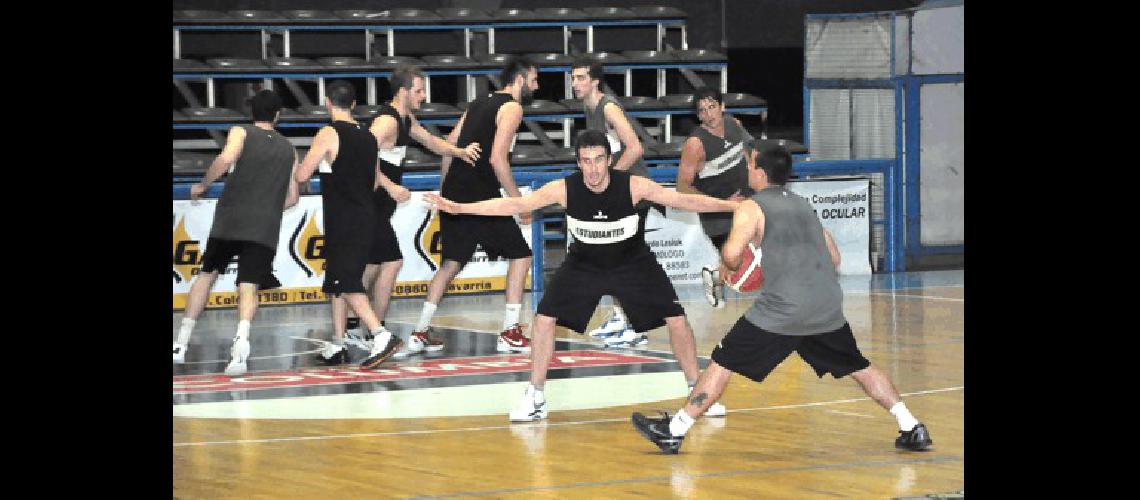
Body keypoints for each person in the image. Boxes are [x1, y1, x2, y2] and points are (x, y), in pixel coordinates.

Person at [630, 144, 933, 454]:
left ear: (760, 173)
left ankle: (674, 429)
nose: (747, 170)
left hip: (782, 310)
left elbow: (733, 255)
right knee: (859, 366)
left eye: (749, 165)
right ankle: (911, 426)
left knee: (722, 363)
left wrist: (731, 271)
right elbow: (834, 257)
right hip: (825, 306)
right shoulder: (805, 205)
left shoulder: (751, 207)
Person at [424, 129, 732, 422]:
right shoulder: (565, 188)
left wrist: (730, 207)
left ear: (610, 160)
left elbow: (685, 200)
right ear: (578, 162)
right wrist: (460, 207)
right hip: (584, 263)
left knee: (676, 318)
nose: (593, 168)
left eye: (599, 159)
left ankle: (698, 392)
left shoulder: (633, 185)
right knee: (543, 319)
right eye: (586, 161)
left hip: (632, 262)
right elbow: (515, 204)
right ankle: (536, 396)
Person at [323, 65, 484, 361]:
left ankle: (350, 333)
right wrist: (390, 186)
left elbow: (431, 141)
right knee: (389, 262)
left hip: (378, 207)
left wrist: (460, 152)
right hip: (367, 204)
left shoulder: (405, 118)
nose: (424, 96)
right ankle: (373, 333)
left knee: (364, 269)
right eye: (419, 91)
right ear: (403, 91)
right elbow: (359, 155)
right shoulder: (385, 122)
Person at [409, 56, 537, 354]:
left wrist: (446, 192)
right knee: (521, 255)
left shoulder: (478, 103)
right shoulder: (512, 107)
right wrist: (521, 203)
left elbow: (448, 148)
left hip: (456, 190)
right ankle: (509, 331)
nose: (536, 85)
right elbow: (497, 159)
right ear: (519, 80)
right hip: (482, 195)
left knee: (451, 264)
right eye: (534, 80)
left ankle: (420, 331)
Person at [173, 89, 300, 376]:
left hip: (231, 219)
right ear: (278, 115)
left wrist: (203, 184)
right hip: (263, 225)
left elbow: (225, 158)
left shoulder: (240, 132)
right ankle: (240, 348)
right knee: (248, 286)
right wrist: (267, 208)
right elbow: (293, 198)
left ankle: (180, 343)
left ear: (251, 113)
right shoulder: (289, 148)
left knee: (207, 275)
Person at [294, 80, 403, 369]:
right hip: (366, 213)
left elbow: (303, 174)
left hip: (343, 217)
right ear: (354, 104)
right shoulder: (367, 136)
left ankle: (381, 335)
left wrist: (291, 162)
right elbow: (374, 178)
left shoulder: (328, 133)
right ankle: (338, 342)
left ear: (328, 102)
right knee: (338, 281)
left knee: (346, 280)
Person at [569, 57, 653, 346]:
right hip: (619, 191)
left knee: (625, 260)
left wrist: (610, 184)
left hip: (631, 192)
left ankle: (637, 326)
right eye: (573, 78)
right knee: (609, 258)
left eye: (580, 78)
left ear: (594, 81)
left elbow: (635, 147)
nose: (574, 83)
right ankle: (621, 316)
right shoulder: (588, 107)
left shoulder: (609, 107)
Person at [676, 87, 754, 308]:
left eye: (712, 107)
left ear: (722, 107)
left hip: (745, 203)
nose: (709, 114)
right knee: (738, 264)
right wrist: (725, 205)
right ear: (698, 115)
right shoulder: (695, 144)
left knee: (756, 258)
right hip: (717, 214)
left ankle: (715, 277)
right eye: (703, 111)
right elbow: (682, 187)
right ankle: (715, 277)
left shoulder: (734, 124)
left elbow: (750, 153)